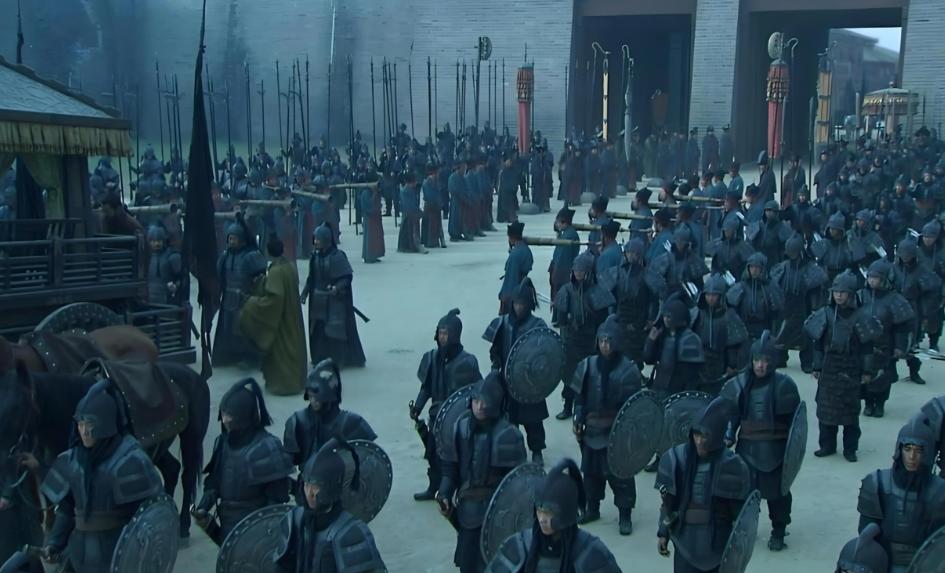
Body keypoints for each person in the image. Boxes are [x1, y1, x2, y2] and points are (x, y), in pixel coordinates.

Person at [40, 382, 164, 571]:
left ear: (106, 424)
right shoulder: (72, 460)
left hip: (117, 556)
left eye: (90, 424)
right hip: (78, 556)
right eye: (80, 424)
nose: (84, 431)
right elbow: (66, 509)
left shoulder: (130, 461)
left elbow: (151, 515)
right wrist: (54, 542)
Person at [437, 375, 527, 573]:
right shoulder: (460, 427)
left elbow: (519, 482)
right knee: (469, 564)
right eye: (476, 400)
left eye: (484, 402)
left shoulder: (509, 435)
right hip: (468, 508)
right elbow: (450, 468)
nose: (479, 406)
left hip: (499, 512)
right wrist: (444, 493)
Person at [721, 331, 801, 551]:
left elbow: (794, 424)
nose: (760, 365)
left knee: (777, 494)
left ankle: (778, 530)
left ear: (772, 362)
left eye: (765, 361)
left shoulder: (784, 386)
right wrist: (729, 434)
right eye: (757, 360)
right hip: (746, 448)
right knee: (743, 492)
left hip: (774, 451)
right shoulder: (740, 384)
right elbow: (732, 414)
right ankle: (746, 527)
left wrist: (789, 452)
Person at [655, 397, 752, 572]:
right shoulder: (676, 460)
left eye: (705, 435)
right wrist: (663, 533)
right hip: (684, 540)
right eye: (697, 434)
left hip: (718, 543)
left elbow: (741, 515)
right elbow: (669, 505)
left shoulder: (732, 465)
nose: (699, 441)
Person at [195, 378, 292, 544]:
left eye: (230, 415)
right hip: (227, 524)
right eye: (224, 413)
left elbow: (275, 502)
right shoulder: (222, 443)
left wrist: (266, 534)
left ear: (244, 416)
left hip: (256, 530)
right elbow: (215, 481)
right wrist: (204, 505)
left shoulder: (267, 448)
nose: (224, 420)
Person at [570, 316, 642, 535]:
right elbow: (580, 398)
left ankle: (625, 515)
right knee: (591, 474)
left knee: (620, 475)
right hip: (592, 430)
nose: (605, 345)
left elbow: (634, 408)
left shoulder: (628, 370)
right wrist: (578, 418)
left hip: (616, 431)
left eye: (609, 341)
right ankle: (592, 509)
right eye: (602, 341)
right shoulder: (587, 366)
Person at [485, 459, 621, 572]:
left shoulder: (589, 551)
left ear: (566, 513)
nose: (542, 519)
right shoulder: (520, 544)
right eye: (539, 510)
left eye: (549, 512)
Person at [274, 438, 387, 572]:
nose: (309, 493)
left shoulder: (351, 532)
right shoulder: (294, 520)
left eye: (316, 486)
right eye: (306, 485)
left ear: (332, 488)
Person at [805, 272, 880, 462]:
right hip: (829, 369)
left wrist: (867, 371)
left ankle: (850, 449)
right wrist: (817, 366)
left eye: (843, 292)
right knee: (826, 412)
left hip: (851, 369)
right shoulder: (826, 314)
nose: (838, 295)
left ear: (851, 294)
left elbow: (867, 348)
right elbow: (818, 344)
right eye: (836, 291)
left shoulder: (861, 316)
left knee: (850, 414)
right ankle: (827, 445)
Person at [857, 415, 945, 572]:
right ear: (899, 449)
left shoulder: (940, 492)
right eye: (907, 449)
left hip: (925, 565)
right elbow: (866, 535)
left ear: (927, 453)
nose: (912, 457)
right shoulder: (878, 483)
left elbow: (939, 542)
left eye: (918, 450)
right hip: (882, 561)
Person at [410, 309, 482, 501]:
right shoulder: (431, 358)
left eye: (446, 333)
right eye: (440, 333)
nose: (442, 337)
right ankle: (433, 487)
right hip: (436, 417)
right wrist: (417, 407)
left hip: (457, 420)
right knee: (434, 455)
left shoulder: (467, 362)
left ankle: (456, 490)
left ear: (455, 335)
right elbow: (426, 388)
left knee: (456, 457)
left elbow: (477, 390)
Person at [283, 359, 376, 502]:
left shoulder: (352, 424)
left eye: (317, 398)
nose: (313, 401)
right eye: (311, 396)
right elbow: (285, 464)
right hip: (306, 492)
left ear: (329, 397)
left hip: (340, 493)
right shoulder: (298, 422)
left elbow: (369, 464)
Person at [484, 278, 550, 463]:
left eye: (522, 304)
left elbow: (545, 355)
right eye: (517, 303)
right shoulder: (503, 323)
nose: (519, 307)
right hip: (507, 381)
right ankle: (514, 450)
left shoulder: (537, 326)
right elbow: (495, 350)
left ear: (529, 304)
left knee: (533, 420)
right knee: (509, 419)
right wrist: (496, 365)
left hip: (530, 383)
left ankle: (537, 450)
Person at [239, 235, 306, 395]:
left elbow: (274, 299)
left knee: (282, 350)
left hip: (281, 318)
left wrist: (252, 303)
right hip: (292, 314)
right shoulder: (289, 266)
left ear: (268, 252)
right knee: (294, 345)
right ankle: (297, 381)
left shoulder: (276, 271)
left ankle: (284, 385)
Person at [553, 252, 612, 420]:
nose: (578, 273)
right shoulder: (566, 291)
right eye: (576, 270)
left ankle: (590, 408)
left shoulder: (598, 291)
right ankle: (567, 407)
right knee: (570, 377)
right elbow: (560, 320)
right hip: (572, 342)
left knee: (591, 377)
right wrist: (569, 322)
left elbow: (603, 320)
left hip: (590, 342)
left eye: (581, 270)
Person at [301, 224, 367, 368]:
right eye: (314, 239)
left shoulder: (337, 256)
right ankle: (320, 357)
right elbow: (311, 278)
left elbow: (346, 277)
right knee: (318, 331)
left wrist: (337, 288)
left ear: (326, 240)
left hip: (333, 302)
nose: (315, 242)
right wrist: (305, 292)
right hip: (317, 301)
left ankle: (338, 359)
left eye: (318, 240)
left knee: (335, 332)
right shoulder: (315, 257)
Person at [859, 260, 915, 418]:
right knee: (864, 376)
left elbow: (902, 328)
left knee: (883, 378)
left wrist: (899, 347)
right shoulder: (861, 296)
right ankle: (868, 403)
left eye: (876, 278)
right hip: (864, 345)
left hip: (885, 347)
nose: (872, 280)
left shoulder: (895, 299)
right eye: (870, 277)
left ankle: (880, 404)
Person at [214, 219, 268, 367]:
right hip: (228, 299)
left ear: (242, 240)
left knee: (244, 330)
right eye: (230, 238)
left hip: (244, 299)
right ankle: (229, 357)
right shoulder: (225, 256)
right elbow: (220, 278)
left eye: (234, 238)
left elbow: (261, 280)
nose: (231, 241)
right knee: (227, 330)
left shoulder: (251, 256)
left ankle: (249, 359)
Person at [691, 274, 748, 396]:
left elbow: (736, 345)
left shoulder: (730, 316)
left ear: (721, 296)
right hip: (700, 362)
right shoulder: (697, 314)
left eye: (714, 295)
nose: (710, 298)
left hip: (721, 363)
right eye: (708, 294)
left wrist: (732, 365)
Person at [895, 238, 942, 385]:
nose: (905, 256)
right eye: (902, 253)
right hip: (895, 308)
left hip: (913, 309)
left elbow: (930, 293)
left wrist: (925, 314)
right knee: (890, 342)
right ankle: (891, 371)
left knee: (912, 344)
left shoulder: (922, 271)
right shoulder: (894, 268)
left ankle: (914, 372)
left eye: (907, 254)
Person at [610, 238, 663, 367]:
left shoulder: (647, 274)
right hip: (621, 318)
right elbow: (611, 298)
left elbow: (653, 300)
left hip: (639, 320)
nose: (631, 255)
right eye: (629, 252)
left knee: (636, 354)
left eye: (634, 253)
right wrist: (612, 316)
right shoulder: (617, 272)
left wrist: (650, 319)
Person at [643, 298, 705, 401]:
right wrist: (651, 341)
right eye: (665, 316)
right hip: (659, 388)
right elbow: (648, 359)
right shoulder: (662, 336)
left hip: (677, 392)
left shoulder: (690, 339)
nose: (666, 319)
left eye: (669, 316)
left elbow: (691, 375)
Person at [726, 253, 784, 342]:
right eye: (752, 267)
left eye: (757, 267)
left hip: (764, 329)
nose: (754, 270)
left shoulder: (771, 288)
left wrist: (774, 334)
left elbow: (777, 315)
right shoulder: (741, 287)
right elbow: (731, 311)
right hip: (744, 328)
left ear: (762, 269)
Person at [498, 222, 534, 315]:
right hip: (524, 288)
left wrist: (505, 296)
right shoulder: (526, 250)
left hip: (515, 292)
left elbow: (511, 278)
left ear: (511, 237)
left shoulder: (515, 255)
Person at [146, 225, 183, 305]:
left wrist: (176, 286)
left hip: (168, 300)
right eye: (153, 241)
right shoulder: (146, 257)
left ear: (163, 240)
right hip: (149, 299)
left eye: (159, 241)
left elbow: (183, 278)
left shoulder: (173, 257)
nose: (156, 244)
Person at [549, 207, 579, 302]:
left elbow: (562, 260)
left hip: (562, 276)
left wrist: (555, 277)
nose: (556, 224)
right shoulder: (567, 233)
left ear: (564, 222)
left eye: (558, 221)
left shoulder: (568, 236)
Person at [398, 170, 427, 253]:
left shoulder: (409, 189)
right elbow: (410, 204)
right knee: (409, 231)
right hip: (409, 213)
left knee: (409, 231)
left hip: (410, 212)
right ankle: (409, 247)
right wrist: (418, 212)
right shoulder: (406, 190)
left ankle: (409, 246)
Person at [359, 180, 386, 263]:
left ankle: (375, 255)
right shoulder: (366, 193)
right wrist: (374, 194)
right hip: (370, 218)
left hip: (376, 217)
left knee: (377, 237)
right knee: (370, 237)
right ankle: (369, 256)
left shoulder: (376, 191)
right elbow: (368, 205)